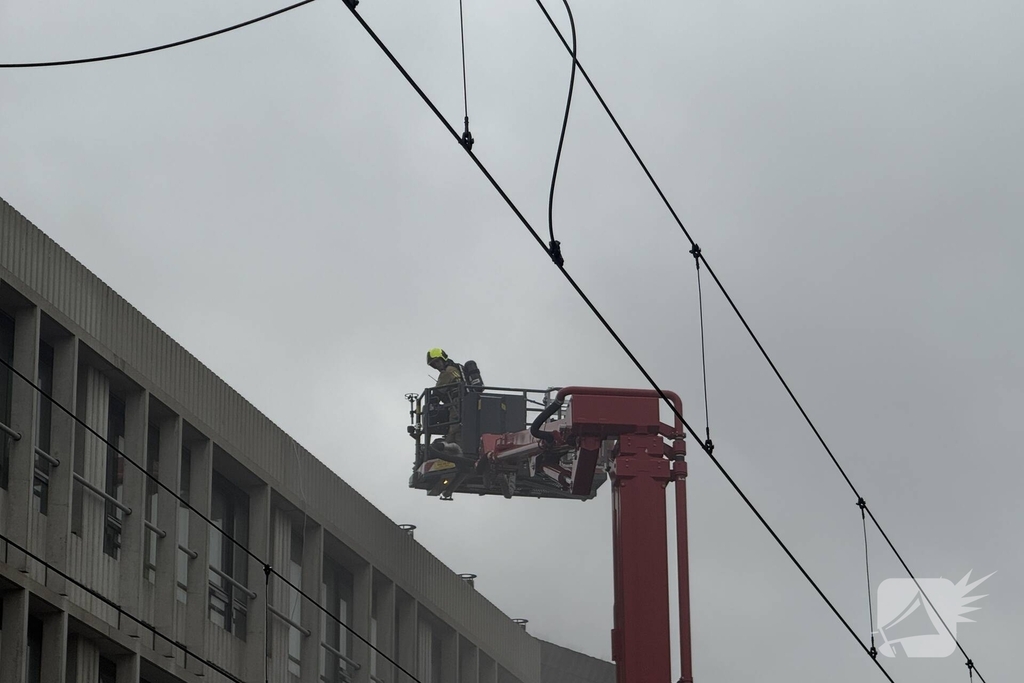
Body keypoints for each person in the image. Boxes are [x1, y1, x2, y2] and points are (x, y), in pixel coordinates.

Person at [426, 348, 463, 455]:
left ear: (443, 359)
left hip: (456, 405)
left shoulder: (447, 372)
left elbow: (437, 392)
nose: (436, 365)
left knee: (455, 430)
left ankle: (457, 453)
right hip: (462, 403)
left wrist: (430, 403)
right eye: (434, 364)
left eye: (437, 361)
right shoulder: (456, 369)